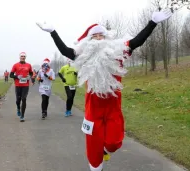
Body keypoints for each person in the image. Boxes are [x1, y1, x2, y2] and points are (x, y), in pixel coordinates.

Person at [36, 8, 173, 171]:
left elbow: (137, 41)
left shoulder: (118, 53)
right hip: (93, 109)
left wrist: (153, 22)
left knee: (114, 143)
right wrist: (53, 32)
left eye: (101, 35)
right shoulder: (84, 56)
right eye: (94, 36)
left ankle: (105, 151)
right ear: (89, 40)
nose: (99, 39)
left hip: (113, 108)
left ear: (107, 37)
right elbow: (65, 50)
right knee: (93, 153)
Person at [10, 52, 34, 122]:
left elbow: (31, 73)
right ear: (19, 57)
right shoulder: (15, 65)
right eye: (22, 56)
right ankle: (18, 108)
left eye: (24, 56)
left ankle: (22, 115)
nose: (23, 57)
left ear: (25, 57)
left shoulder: (28, 65)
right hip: (18, 85)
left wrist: (29, 76)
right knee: (18, 100)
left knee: (24, 99)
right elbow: (11, 75)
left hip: (25, 85)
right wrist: (17, 76)